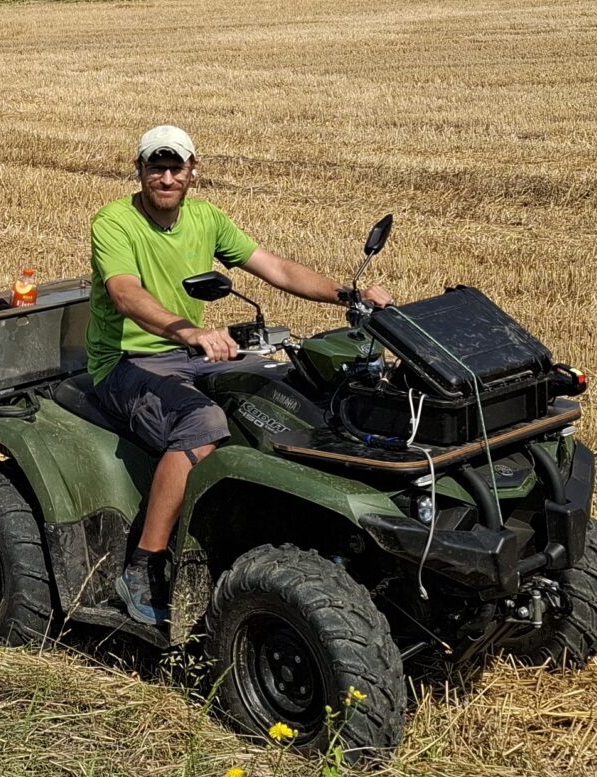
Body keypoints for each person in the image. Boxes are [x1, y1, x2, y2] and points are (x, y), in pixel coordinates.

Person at [88, 124, 392, 631]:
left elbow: (273, 266)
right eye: (155, 166)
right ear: (138, 170)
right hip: (129, 362)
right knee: (201, 424)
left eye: (175, 167)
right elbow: (124, 293)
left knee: (290, 392)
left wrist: (347, 295)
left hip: (194, 352)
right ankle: (145, 566)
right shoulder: (115, 222)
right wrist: (190, 331)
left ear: (193, 171)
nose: (165, 176)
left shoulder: (206, 218)